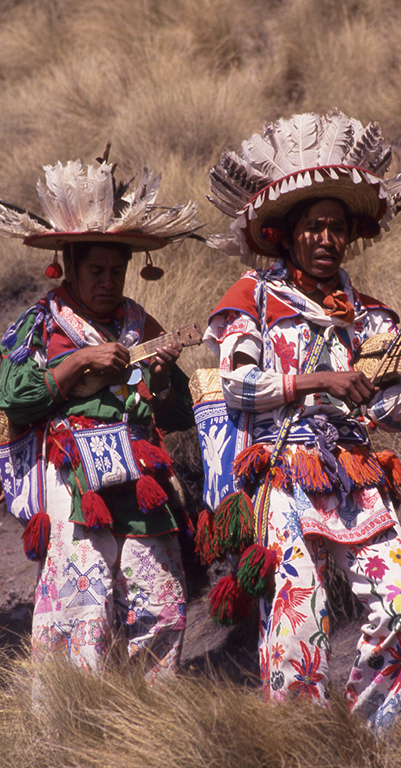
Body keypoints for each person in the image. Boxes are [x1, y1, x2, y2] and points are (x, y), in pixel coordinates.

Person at [199, 108, 401, 728]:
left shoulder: (374, 318)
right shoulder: (254, 299)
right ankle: (299, 745)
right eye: (314, 227)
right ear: (285, 233)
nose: (327, 239)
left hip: (354, 475)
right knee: (299, 617)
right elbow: (238, 385)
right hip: (278, 474)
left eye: (338, 228)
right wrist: (316, 379)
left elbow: (388, 414)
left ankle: (364, 741)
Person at [0, 154, 198, 683]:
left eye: (117, 270)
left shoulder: (140, 323)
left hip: (142, 479)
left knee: (159, 599)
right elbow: (13, 397)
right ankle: (68, 720)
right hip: (73, 475)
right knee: (80, 599)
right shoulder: (42, 324)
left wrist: (158, 375)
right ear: (68, 267)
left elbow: (178, 412)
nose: (108, 281)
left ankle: (150, 719)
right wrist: (81, 361)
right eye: (96, 271)